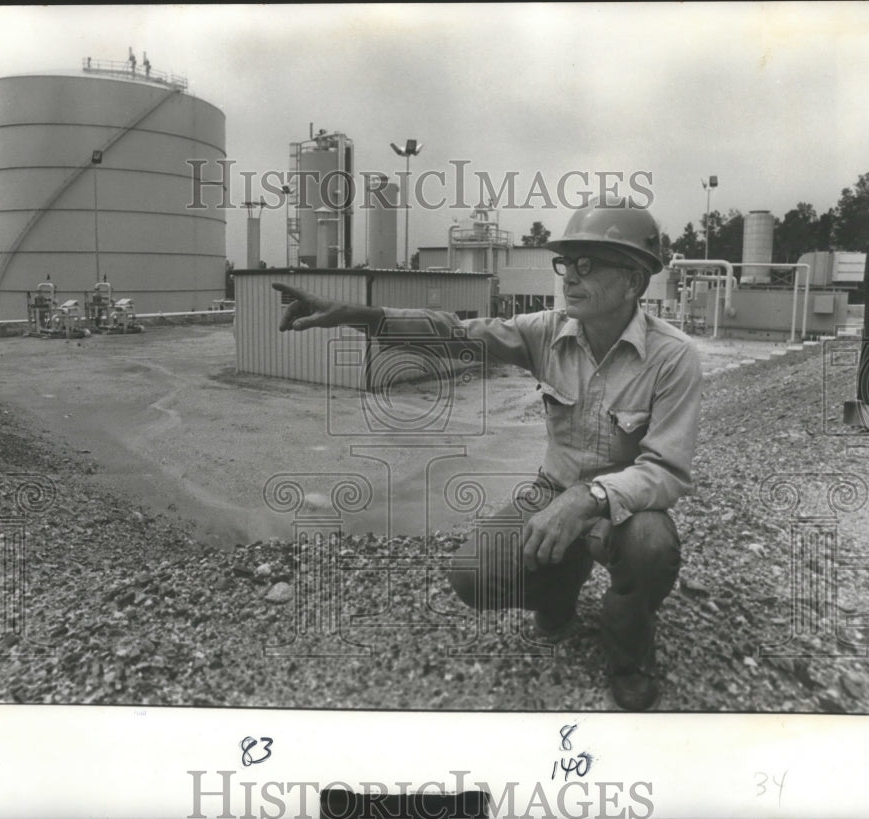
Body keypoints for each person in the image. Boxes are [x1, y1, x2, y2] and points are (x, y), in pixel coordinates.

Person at [273, 198, 702, 710]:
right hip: (552, 490)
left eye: (589, 264)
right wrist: (362, 316)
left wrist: (588, 499)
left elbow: (666, 470)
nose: (569, 278)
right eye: (567, 263)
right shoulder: (545, 331)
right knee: (474, 574)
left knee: (651, 547)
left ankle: (629, 653)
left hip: (624, 510)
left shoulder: (672, 357)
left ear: (634, 281)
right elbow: (456, 331)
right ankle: (560, 595)